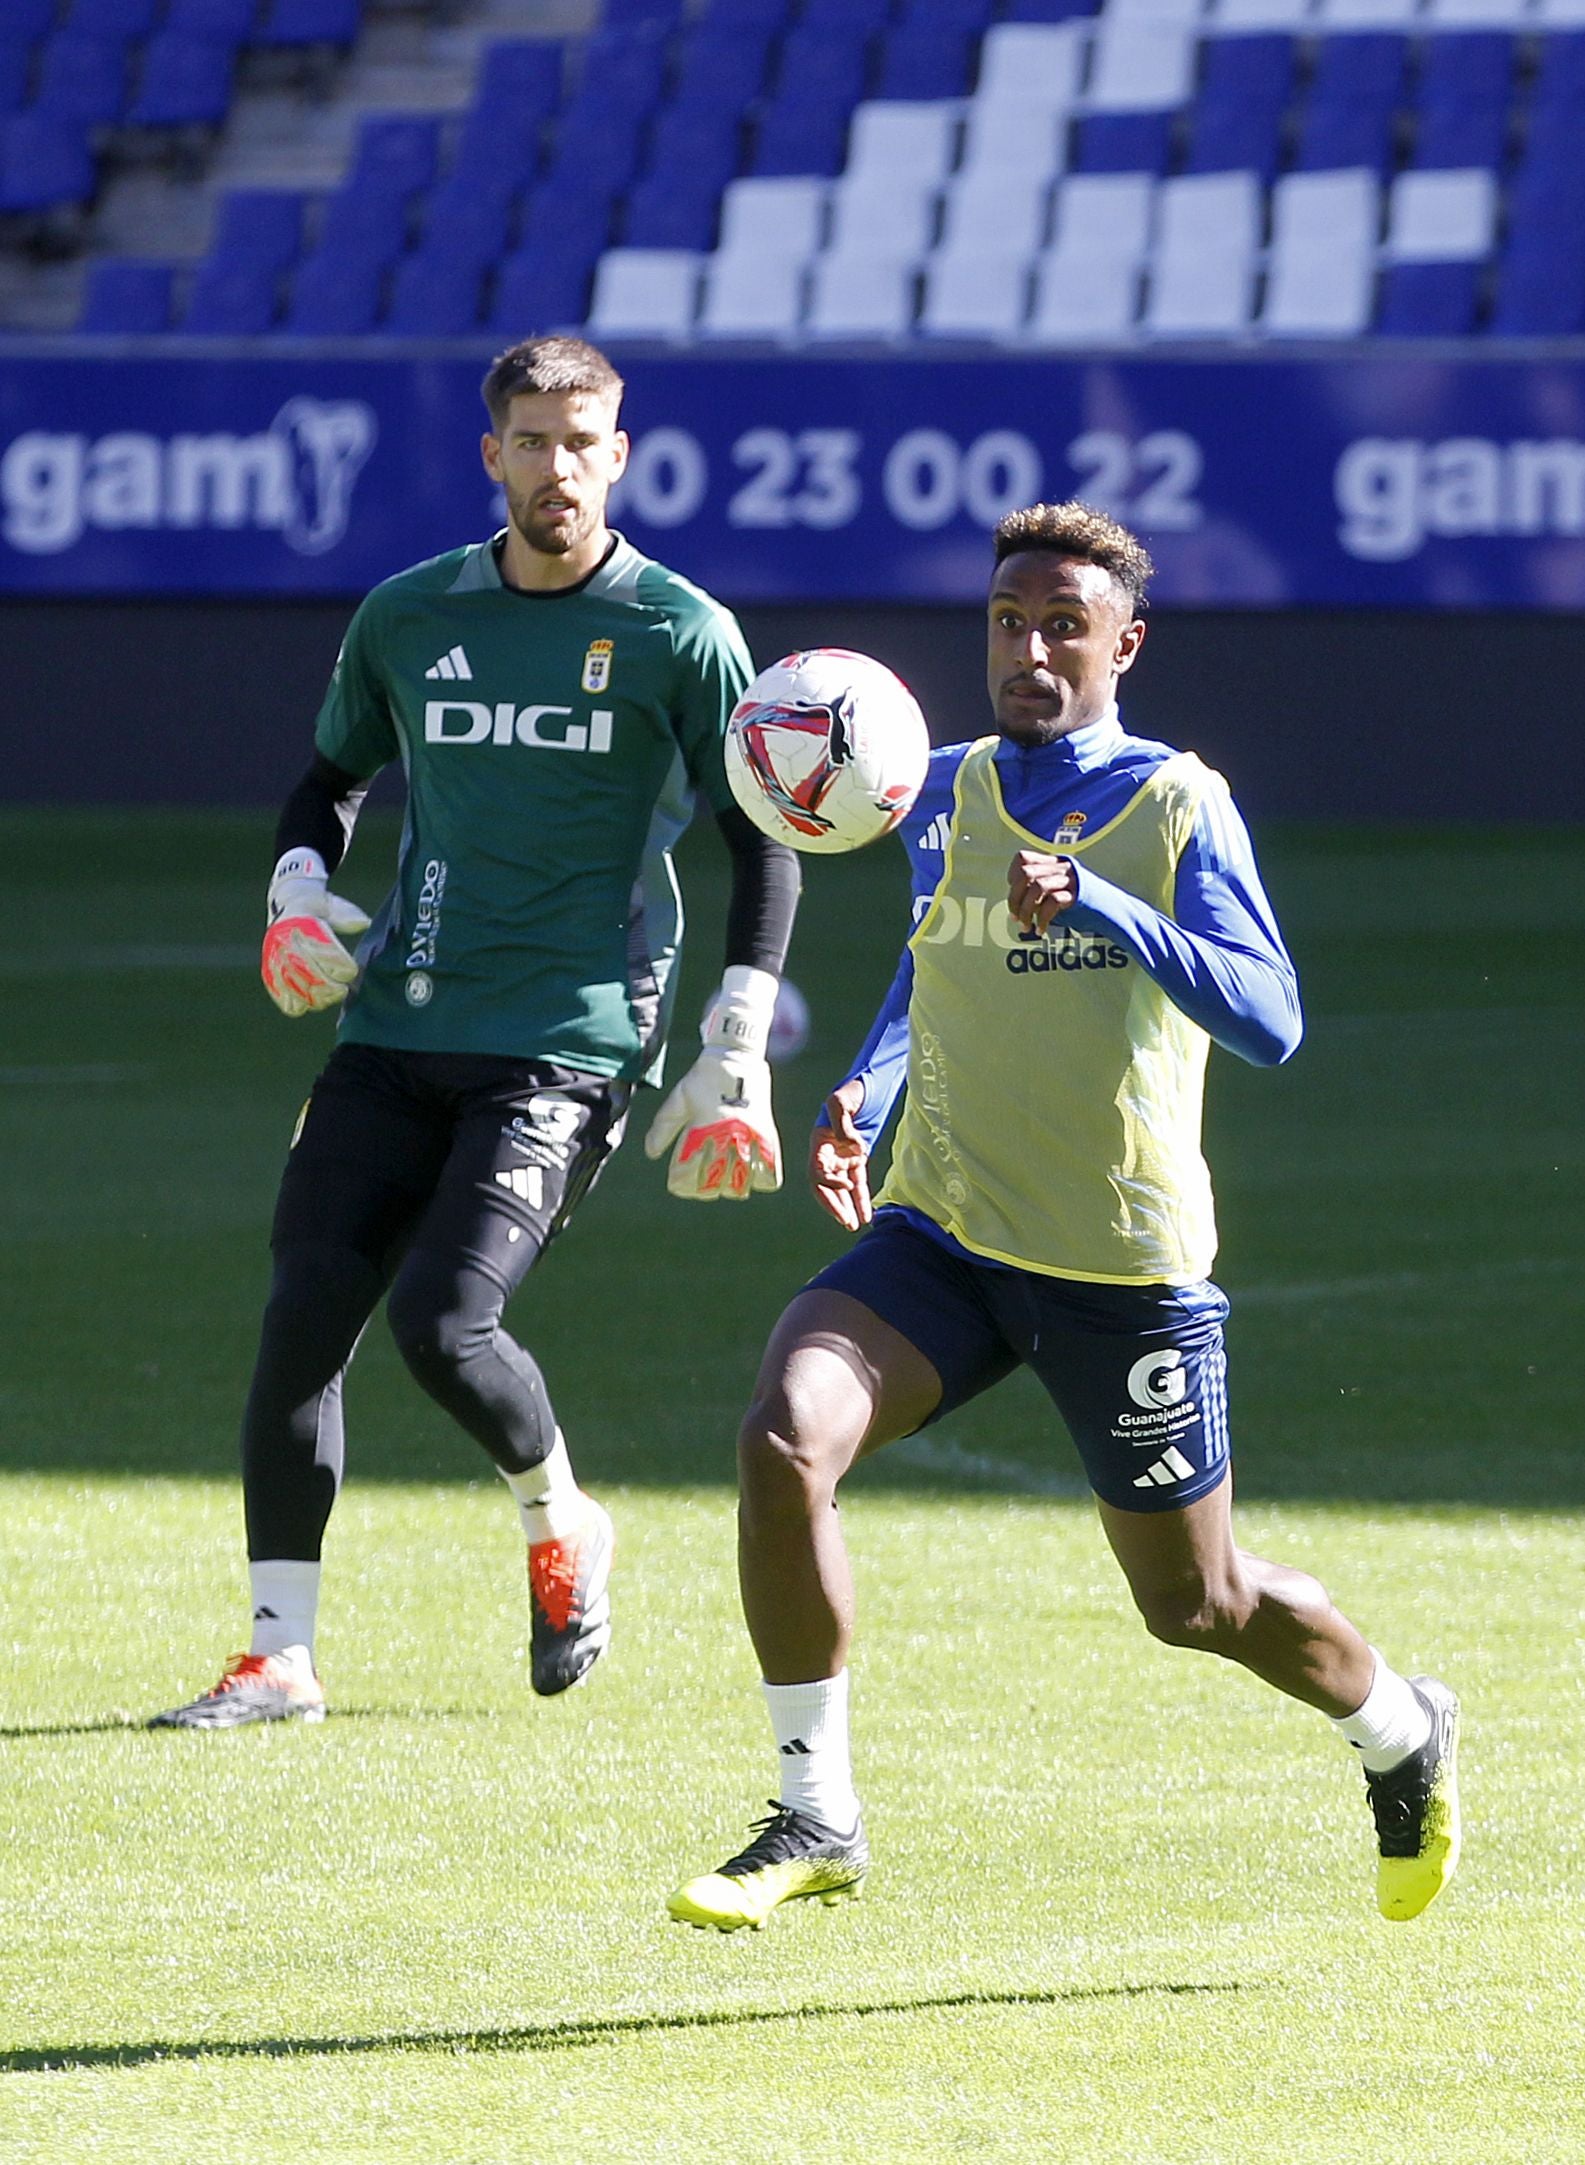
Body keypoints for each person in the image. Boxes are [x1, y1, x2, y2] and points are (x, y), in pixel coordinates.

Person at [667, 501, 1460, 1931]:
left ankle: (1402, 1728)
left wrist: (1098, 902)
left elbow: (1270, 1017)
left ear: (1123, 644)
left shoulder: (1173, 803)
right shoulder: (945, 785)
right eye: (1004, 620)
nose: (1026, 648)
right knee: (783, 1438)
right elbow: (933, 969)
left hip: (1117, 1265)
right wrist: (862, 1088)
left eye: (1061, 626)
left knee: (1196, 1605)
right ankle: (813, 1808)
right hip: (944, 1230)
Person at [152, 335, 798, 1730]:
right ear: (490, 454)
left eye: (583, 442)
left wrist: (732, 1039)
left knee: (446, 1324)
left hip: (569, 1035)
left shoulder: (681, 633)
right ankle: (277, 1655)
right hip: (396, 1020)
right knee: (300, 1318)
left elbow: (762, 842)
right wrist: (296, 896)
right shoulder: (405, 613)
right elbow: (329, 779)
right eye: (532, 441)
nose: (556, 467)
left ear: (618, 456)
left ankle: (561, 1516)